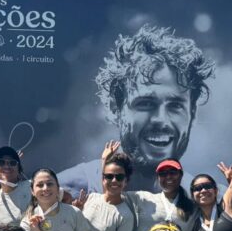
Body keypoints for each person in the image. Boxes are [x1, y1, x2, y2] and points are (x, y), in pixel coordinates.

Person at [58, 25, 216, 194]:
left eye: (175, 106)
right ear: (115, 108)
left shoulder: (208, 199)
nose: (161, 120)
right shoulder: (64, 191)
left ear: (192, 114)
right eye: (146, 104)